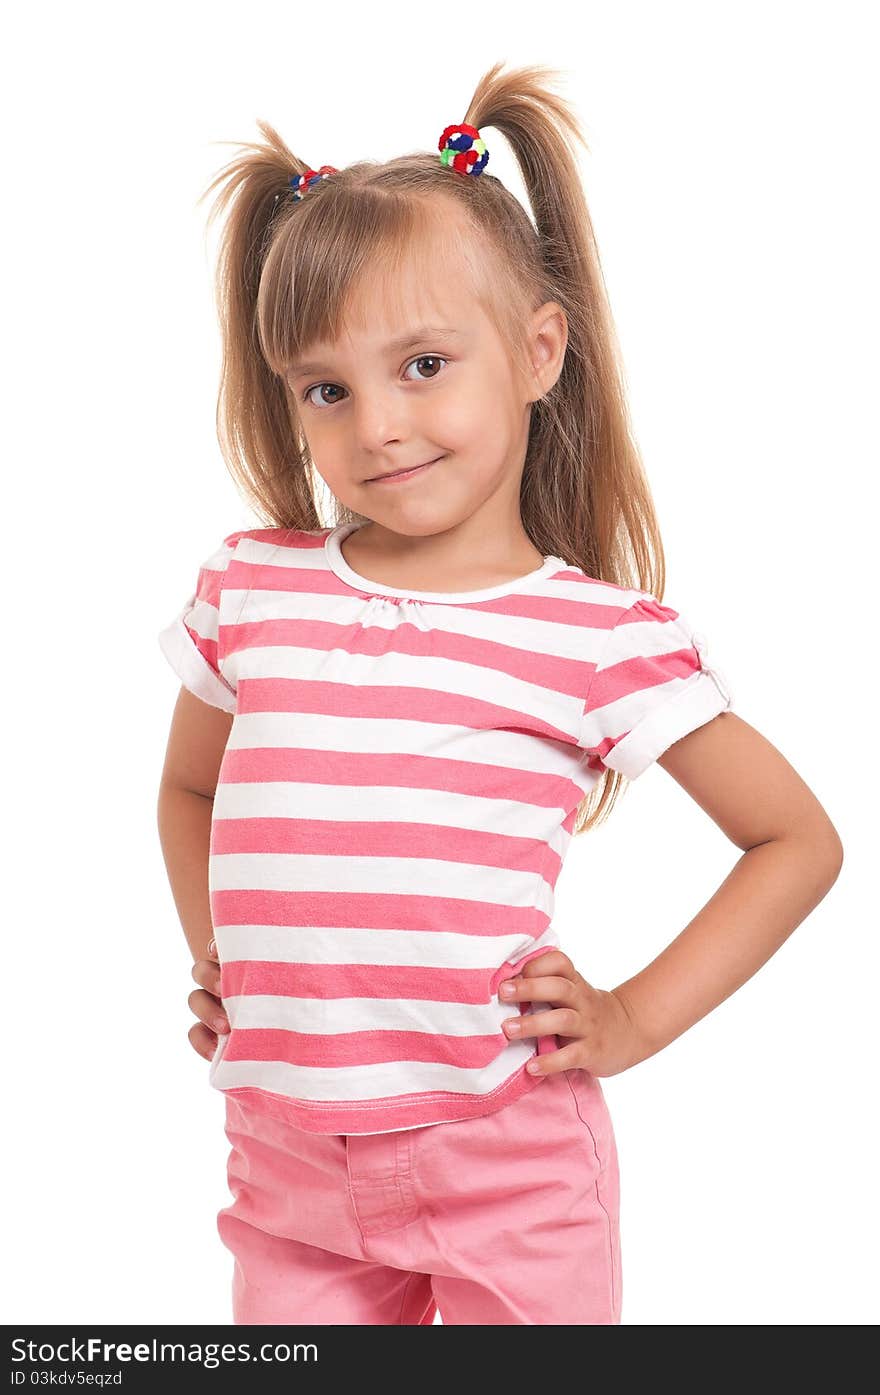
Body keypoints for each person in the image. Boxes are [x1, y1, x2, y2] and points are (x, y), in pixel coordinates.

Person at [156, 61, 843, 1326]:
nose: (377, 427)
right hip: (286, 1159)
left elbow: (794, 840)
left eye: (423, 364)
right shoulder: (251, 585)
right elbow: (194, 784)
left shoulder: (595, 637)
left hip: (503, 1165)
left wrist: (631, 1016)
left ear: (537, 352)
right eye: (328, 389)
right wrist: (226, 950)